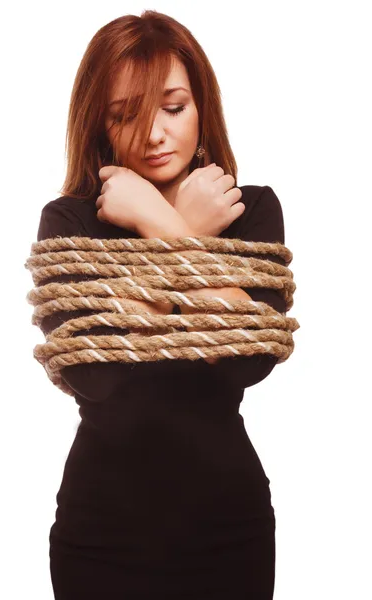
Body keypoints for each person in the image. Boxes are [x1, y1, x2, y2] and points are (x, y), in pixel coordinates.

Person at [36, 9, 287, 599]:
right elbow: (92, 373)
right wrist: (190, 244)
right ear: (99, 123)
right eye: (127, 114)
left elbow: (249, 359)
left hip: (230, 527)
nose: (154, 133)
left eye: (173, 108)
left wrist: (159, 221)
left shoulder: (249, 211)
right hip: (102, 532)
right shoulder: (70, 221)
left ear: (202, 106)